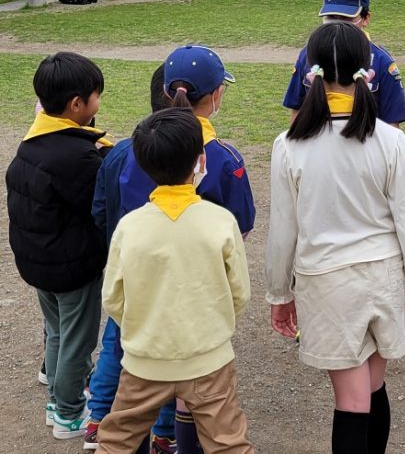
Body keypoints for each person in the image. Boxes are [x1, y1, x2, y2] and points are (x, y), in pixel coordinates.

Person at [266, 22, 405, 454]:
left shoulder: (289, 145)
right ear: (367, 70)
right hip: (383, 277)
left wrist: (279, 294)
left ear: (310, 71)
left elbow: (283, 229)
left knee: (353, 399)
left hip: (327, 282)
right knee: (372, 388)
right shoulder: (392, 140)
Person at [97, 108, 252, 454]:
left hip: (144, 359)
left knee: (117, 441)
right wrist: (213, 327)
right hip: (208, 359)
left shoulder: (130, 226)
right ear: (201, 161)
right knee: (228, 442)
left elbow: (114, 298)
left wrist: (143, 328)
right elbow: (239, 293)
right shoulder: (221, 222)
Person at [7, 52, 111, 440]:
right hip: (72, 268)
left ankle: (56, 396)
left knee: (56, 331)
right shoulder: (76, 156)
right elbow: (98, 201)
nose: (99, 104)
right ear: (76, 105)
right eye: (96, 97)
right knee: (78, 341)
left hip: (39, 264)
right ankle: (68, 413)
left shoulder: (33, 143)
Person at [84, 67, 176, 454]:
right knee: (171, 353)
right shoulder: (193, 155)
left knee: (116, 340)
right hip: (172, 277)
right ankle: (164, 430)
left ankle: (98, 418)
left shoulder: (121, 150)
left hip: (127, 271)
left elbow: (100, 208)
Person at [283, 0, 405, 128]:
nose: (337, 25)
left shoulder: (382, 62)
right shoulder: (308, 54)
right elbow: (297, 112)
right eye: (330, 18)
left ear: (365, 18)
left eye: (345, 18)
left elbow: (392, 126)